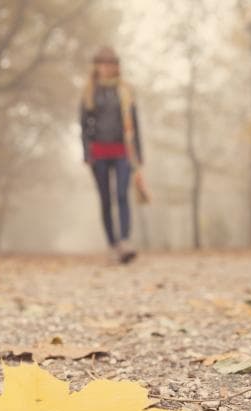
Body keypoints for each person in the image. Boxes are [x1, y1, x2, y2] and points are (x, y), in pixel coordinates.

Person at [80, 46, 147, 264]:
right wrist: (86, 151)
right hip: (98, 152)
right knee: (106, 199)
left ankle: (124, 241)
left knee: (121, 194)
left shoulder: (125, 91)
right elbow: (84, 125)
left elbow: (134, 124)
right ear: (97, 66)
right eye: (103, 63)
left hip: (123, 151)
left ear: (116, 66)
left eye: (111, 63)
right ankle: (111, 244)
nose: (107, 67)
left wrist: (138, 154)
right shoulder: (89, 92)